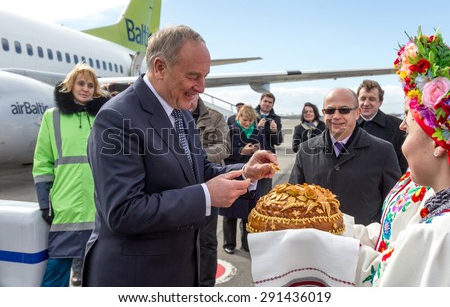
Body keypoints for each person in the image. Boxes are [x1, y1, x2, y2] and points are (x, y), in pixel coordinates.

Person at [82, 25, 278, 287]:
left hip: (179, 270)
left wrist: (245, 171)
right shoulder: (117, 117)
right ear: (160, 67)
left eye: (205, 76)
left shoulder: (181, 113)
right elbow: (123, 212)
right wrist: (206, 195)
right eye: (193, 76)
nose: (201, 87)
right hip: (136, 277)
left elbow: (200, 171)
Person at [355, 28, 450, 286]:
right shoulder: (421, 180)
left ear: (438, 143)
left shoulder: (439, 233)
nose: (402, 125)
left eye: (409, 116)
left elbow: (385, 279)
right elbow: (387, 235)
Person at [32, 63, 109, 287]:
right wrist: (45, 202)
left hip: (100, 209)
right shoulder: (51, 117)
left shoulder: (104, 117)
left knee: (99, 276)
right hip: (66, 209)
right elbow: (42, 162)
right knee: (56, 273)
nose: (85, 88)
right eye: (81, 83)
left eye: (90, 85)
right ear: (70, 85)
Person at [288, 87, 401, 225]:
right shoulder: (305, 150)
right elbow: (292, 199)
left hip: (363, 242)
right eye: (330, 111)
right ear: (323, 113)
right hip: (318, 239)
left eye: (344, 110)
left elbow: (394, 205)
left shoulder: (383, 151)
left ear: (357, 113)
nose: (336, 116)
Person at [189, 94, 231, 287]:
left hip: (208, 185)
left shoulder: (215, 117)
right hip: (180, 185)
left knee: (206, 239)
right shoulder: (171, 113)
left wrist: (193, 155)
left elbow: (224, 147)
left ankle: (206, 287)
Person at [220, 104, 264, 254]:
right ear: (239, 117)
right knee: (230, 212)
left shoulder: (257, 131)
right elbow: (223, 152)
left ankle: (246, 243)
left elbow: (263, 150)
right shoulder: (230, 130)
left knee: (248, 213)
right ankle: (229, 243)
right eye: (245, 120)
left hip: (252, 176)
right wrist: (241, 151)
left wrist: (258, 151)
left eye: (250, 121)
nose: (247, 123)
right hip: (235, 173)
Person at [356, 79, 408, 174]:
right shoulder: (348, 126)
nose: (366, 103)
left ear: (380, 102)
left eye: (372, 99)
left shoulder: (399, 127)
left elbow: (403, 163)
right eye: (363, 99)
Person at [255, 92, 283, 195]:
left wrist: (274, 131)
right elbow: (246, 136)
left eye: (270, 102)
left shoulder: (276, 119)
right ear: (260, 101)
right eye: (265, 101)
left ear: (273, 104)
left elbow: (278, 141)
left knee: (265, 186)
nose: (267, 104)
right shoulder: (251, 114)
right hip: (253, 154)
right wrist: (257, 128)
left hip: (268, 156)